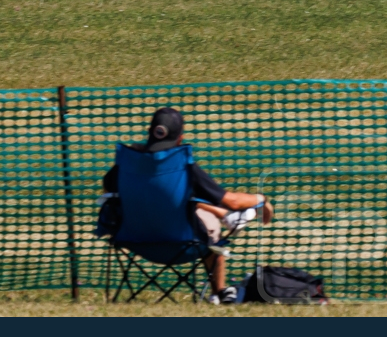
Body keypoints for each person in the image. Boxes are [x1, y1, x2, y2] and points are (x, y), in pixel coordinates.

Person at [101, 107, 274, 304]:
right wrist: (261, 199)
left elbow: (107, 186)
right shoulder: (183, 166)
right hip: (185, 245)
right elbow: (232, 201)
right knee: (209, 231)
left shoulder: (127, 163)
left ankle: (225, 217)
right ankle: (219, 292)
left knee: (182, 202)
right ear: (180, 138)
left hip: (134, 242)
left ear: (149, 133)